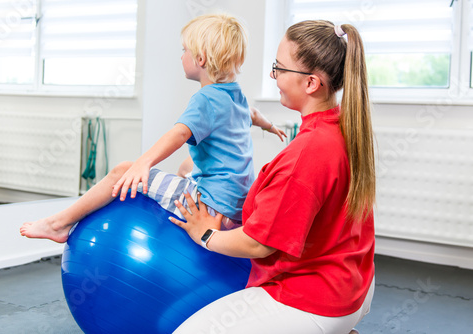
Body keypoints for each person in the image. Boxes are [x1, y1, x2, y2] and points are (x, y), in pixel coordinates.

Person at [169, 20, 376, 334]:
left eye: (279, 68)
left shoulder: (310, 152)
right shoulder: (343, 126)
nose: (272, 75)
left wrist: (206, 235)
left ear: (311, 83)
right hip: (354, 284)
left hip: (314, 298)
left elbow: (257, 245)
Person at [20, 13, 285, 242]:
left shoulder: (205, 99)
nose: (181, 56)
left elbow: (179, 133)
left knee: (122, 170)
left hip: (211, 206)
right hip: (236, 207)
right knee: (185, 167)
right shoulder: (235, 94)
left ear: (200, 59)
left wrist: (141, 164)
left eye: (184, 50)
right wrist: (270, 126)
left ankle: (58, 224)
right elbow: (252, 114)